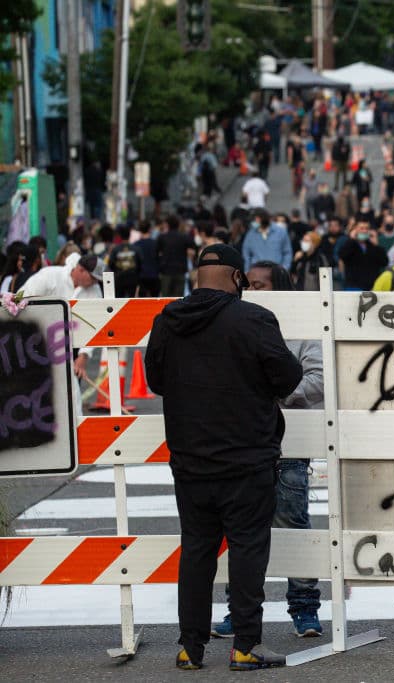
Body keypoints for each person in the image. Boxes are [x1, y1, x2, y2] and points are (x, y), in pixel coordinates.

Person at [145, 244, 302, 671]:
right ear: (236, 279)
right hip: (247, 457)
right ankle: (246, 646)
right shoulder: (253, 319)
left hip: (190, 458)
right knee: (248, 551)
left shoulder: (168, 321)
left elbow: (155, 381)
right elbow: (288, 376)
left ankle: (189, 648)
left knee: (196, 550)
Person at [210, 261, 324, 641]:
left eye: (262, 285)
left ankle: (305, 609)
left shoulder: (302, 328)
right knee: (240, 529)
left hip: (289, 442)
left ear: (281, 289)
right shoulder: (235, 326)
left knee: (293, 521)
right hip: (243, 442)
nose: (254, 292)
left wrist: (271, 396)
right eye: (249, 286)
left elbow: (318, 379)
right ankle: (237, 612)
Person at [21, 252, 105, 380]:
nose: (94, 283)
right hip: (39, 341)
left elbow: (94, 324)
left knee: (71, 390)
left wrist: (83, 356)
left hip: (73, 344)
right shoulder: (50, 276)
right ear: (80, 269)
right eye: (93, 278)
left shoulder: (95, 290)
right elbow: (22, 299)